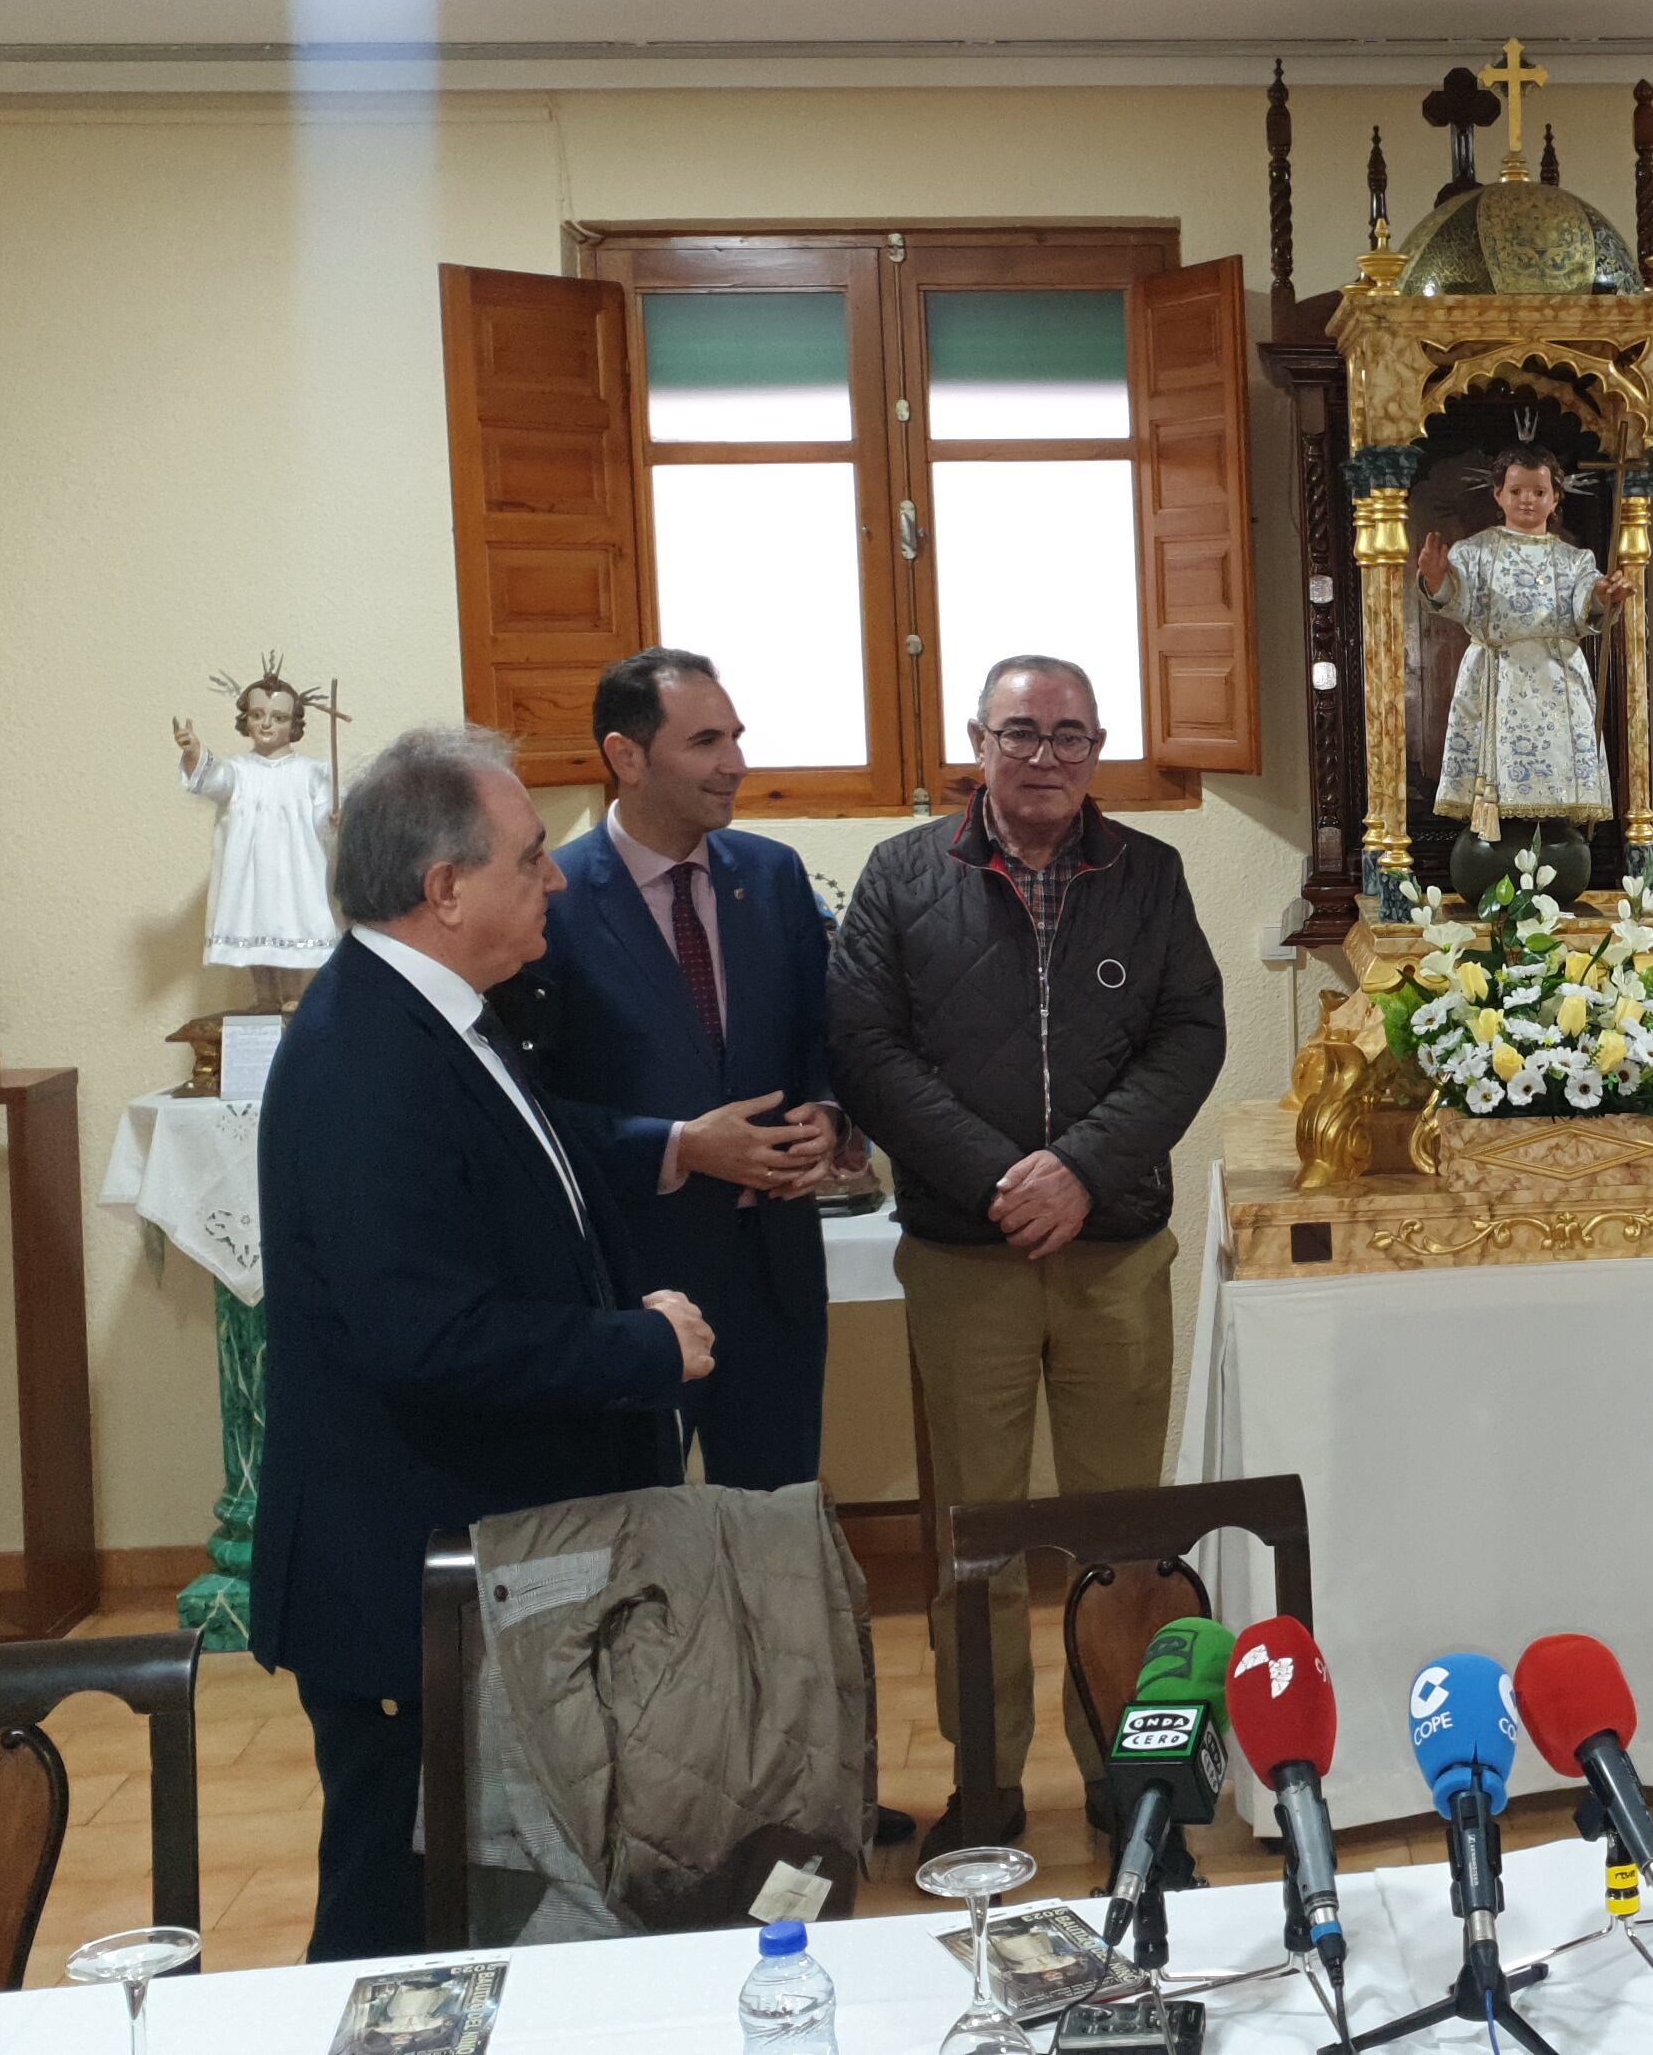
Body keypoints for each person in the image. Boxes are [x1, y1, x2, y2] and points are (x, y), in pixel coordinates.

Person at [251, 723, 714, 1961]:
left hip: (474, 1560)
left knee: (500, 1898)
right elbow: (428, 1335)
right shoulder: (360, 1057)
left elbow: (525, 1164)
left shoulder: (440, 1015)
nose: (555, 879)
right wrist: (640, 1350)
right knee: (398, 1919)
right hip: (405, 1581)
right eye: (530, 858)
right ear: (444, 889)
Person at [830, 654, 1225, 1852]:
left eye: (1068, 735)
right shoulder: (902, 878)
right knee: (976, 1542)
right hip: (966, 1255)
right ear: (977, 741)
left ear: (1097, 747)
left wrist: (1082, 1169)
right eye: (1020, 733)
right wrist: (1001, 1178)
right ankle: (987, 1786)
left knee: (1126, 1541)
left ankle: (1129, 1778)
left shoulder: (1149, 876)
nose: (1044, 756)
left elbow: (1189, 1038)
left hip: (1112, 1254)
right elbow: (867, 1049)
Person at [520, 648, 849, 1492]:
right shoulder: (550, 898)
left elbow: (826, 1036)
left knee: (774, 1529)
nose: (735, 764)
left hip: (775, 1278)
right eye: (707, 741)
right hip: (630, 1287)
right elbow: (528, 1109)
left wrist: (830, 1113)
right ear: (625, 756)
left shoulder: (772, 877)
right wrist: (677, 1146)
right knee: (633, 1545)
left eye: (736, 737)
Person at [1422, 443, 1635, 883]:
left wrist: (1601, 596)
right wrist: (1437, 578)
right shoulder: (1474, 551)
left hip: (1557, 679)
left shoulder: (1574, 559)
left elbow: (1586, 601)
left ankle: (1554, 840)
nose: (1527, 500)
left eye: (1538, 492)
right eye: (1517, 489)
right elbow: (1453, 599)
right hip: (1496, 674)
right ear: (1498, 493)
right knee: (1495, 788)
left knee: (1557, 785)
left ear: (1555, 498)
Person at [173, 659, 340, 1010]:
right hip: (251, 872)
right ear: (245, 718)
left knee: (294, 923)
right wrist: (194, 753)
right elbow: (213, 779)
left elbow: (326, 817)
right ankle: (265, 995)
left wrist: (335, 819)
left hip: (296, 870)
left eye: (278, 718)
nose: (266, 724)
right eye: (257, 715)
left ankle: (295, 994)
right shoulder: (238, 771)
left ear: (293, 724)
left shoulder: (311, 772)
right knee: (255, 922)